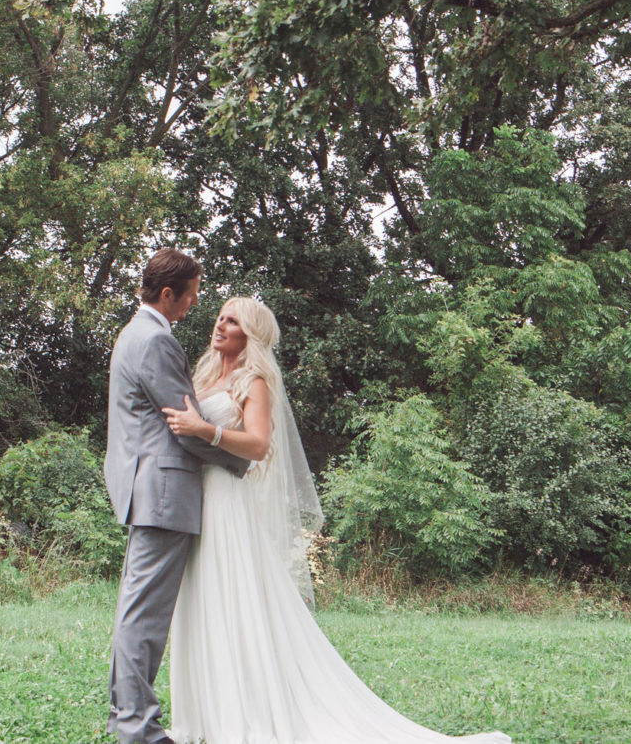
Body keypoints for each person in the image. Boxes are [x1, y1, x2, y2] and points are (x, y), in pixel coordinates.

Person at [161, 297, 512, 744]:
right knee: (201, 596)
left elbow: (257, 445)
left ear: (249, 333)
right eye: (220, 317)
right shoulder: (205, 374)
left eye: (233, 320)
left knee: (233, 596)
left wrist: (204, 430)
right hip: (199, 496)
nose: (221, 325)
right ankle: (203, 717)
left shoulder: (255, 381)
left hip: (230, 498)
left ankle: (242, 715)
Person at [103, 249, 251, 744]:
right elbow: (184, 426)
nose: (195, 303)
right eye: (191, 294)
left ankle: (129, 719)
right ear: (168, 294)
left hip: (146, 485)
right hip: (163, 489)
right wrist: (239, 461)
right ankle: (138, 729)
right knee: (144, 617)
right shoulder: (155, 342)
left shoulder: (133, 334)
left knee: (136, 611)